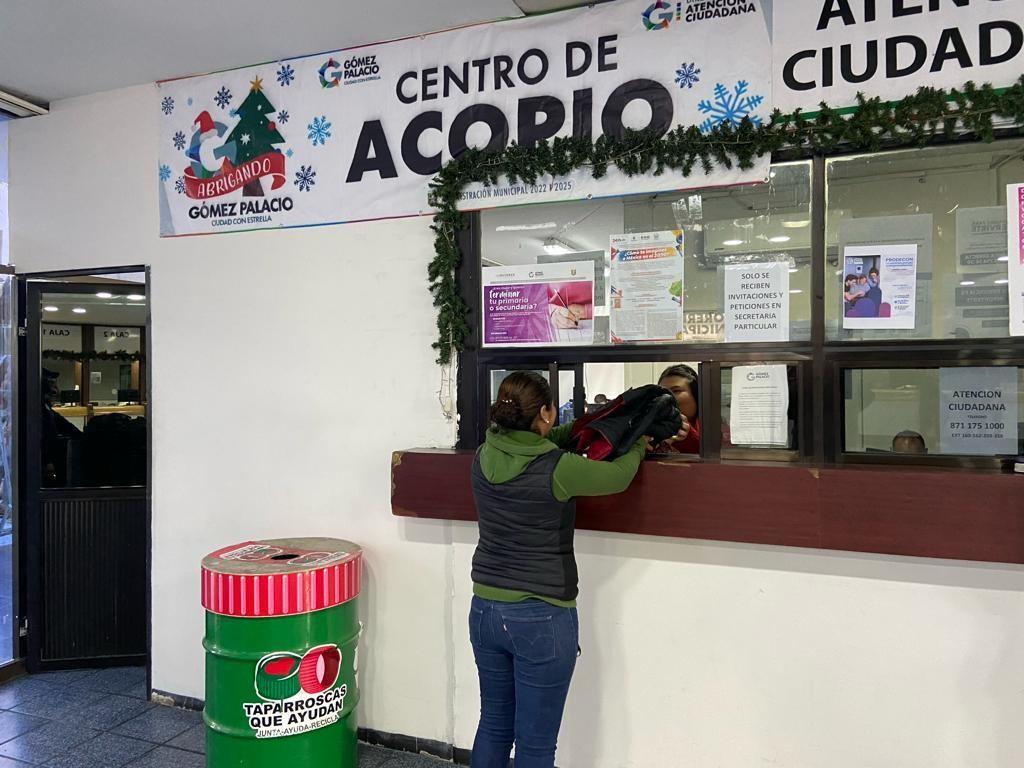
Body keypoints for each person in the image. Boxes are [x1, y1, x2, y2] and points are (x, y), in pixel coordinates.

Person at [469, 371, 648, 768]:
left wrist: (583, 424)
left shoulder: (484, 454)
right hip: (542, 616)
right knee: (535, 745)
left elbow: (535, 442)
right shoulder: (558, 468)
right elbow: (618, 477)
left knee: (494, 725)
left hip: (485, 610)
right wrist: (640, 443)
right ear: (546, 414)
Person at [655, 364, 698, 454]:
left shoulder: (715, 428)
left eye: (676, 391)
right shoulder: (650, 424)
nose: (666, 396)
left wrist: (689, 436)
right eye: (662, 391)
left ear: (696, 395)